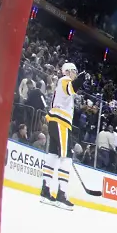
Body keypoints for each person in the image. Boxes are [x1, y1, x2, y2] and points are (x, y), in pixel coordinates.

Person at [41, 62, 79, 210]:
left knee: (53, 153)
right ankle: (61, 193)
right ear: (68, 71)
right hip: (61, 123)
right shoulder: (65, 80)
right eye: (74, 71)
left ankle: (46, 190)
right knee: (66, 157)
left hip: (54, 121)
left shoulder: (61, 82)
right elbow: (71, 89)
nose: (75, 73)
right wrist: (81, 79)